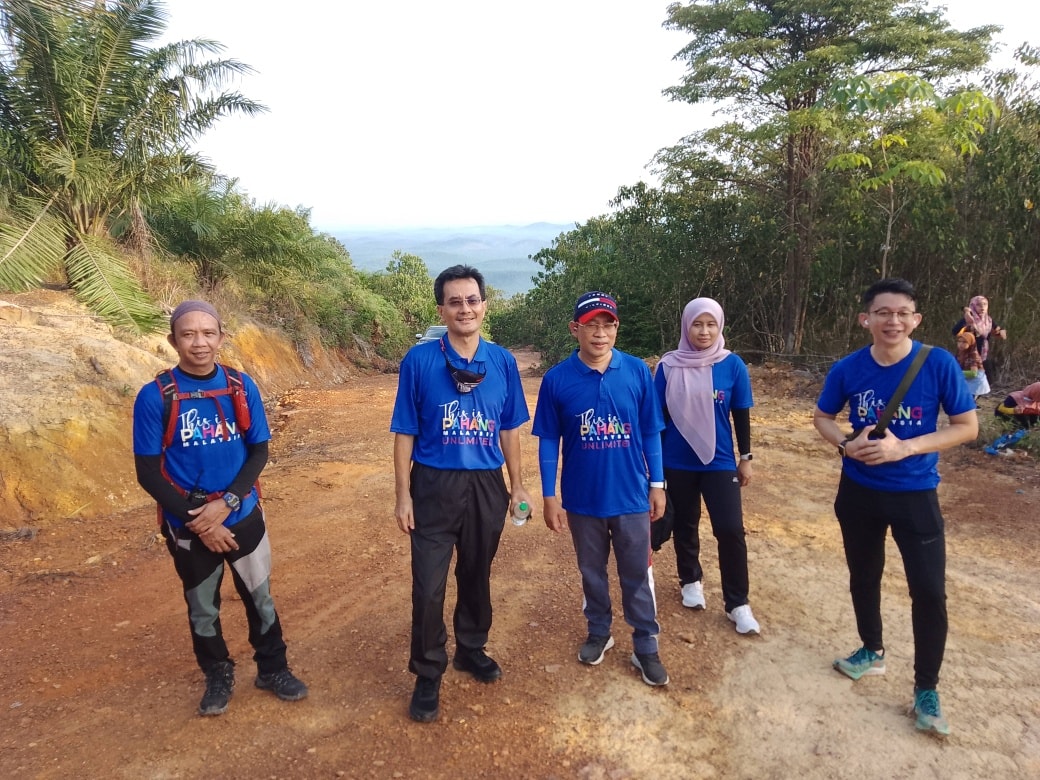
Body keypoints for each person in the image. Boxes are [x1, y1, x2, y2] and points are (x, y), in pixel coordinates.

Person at [813, 278, 977, 738]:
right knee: (863, 575)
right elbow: (822, 417)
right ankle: (872, 650)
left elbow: (967, 426)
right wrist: (847, 443)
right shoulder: (848, 369)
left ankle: (927, 688)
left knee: (928, 590)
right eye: (883, 313)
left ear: (916, 319)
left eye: (903, 313)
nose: (893, 321)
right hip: (859, 491)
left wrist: (908, 448)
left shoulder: (937, 364)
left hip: (915, 492)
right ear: (866, 319)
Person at [133, 300, 308, 717]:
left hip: (242, 513)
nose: (199, 342)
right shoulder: (155, 397)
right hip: (188, 525)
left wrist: (227, 503)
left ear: (221, 338)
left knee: (260, 597)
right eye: (189, 334)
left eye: (208, 333)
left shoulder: (239, 386)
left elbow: (259, 450)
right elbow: (148, 473)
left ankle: (273, 668)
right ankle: (217, 674)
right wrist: (202, 522)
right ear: (173, 340)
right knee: (203, 608)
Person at [390, 265, 532, 723]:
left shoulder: (503, 362)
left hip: (487, 483)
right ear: (442, 310)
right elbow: (404, 431)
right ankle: (428, 671)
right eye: (455, 301)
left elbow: (510, 430)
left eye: (472, 300)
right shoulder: (420, 361)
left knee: (476, 573)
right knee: (428, 586)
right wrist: (402, 495)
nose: (464, 309)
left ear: (484, 305)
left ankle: (471, 648)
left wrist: (518, 486)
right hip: (433, 483)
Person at [532, 291, 670, 687]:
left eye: (607, 323)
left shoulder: (637, 372)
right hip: (583, 500)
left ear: (616, 328)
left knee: (636, 575)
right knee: (591, 572)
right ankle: (599, 631)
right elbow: (548, 441)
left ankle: (646, 645)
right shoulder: (557, 379)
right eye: (591, 324)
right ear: (575, 329)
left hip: (630, 497)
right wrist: (549, 496)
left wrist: (657, 484)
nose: (600, 332)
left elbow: (650, 431)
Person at [654, 298, 760, 635]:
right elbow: (656, 419)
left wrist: (746, 458)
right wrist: (653, 471)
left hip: (719, 461)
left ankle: (738, 603)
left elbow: (740, 414)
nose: (704, 331)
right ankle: (690, 581)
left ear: (720, 326)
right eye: (697, 324)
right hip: (676, 461)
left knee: (730, 529)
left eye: (710, 324)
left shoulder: (732, 365)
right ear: (686, 326)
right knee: (685, 523)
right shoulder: (668, 366)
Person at [951, 295, 1006, 380]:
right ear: (973, 306)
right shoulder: (969, 319)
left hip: (982, 354)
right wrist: (967, 319)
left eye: (985, 304)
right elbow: (955, 331)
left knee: (980, 378)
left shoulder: (988, 320)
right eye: (979, 305)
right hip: (967, 354)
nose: (982, 307)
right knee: (964, 377)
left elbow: (998, 330)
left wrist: (1001, 331)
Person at [953, 329, 989, 403]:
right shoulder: (960, 353)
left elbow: (973, 373)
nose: (961, 344)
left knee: (967, 402)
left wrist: (957, 373)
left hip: (975, 382)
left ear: (970, 343)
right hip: (966, 380)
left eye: (964, 342)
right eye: (959, 341)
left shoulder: (973, 355)